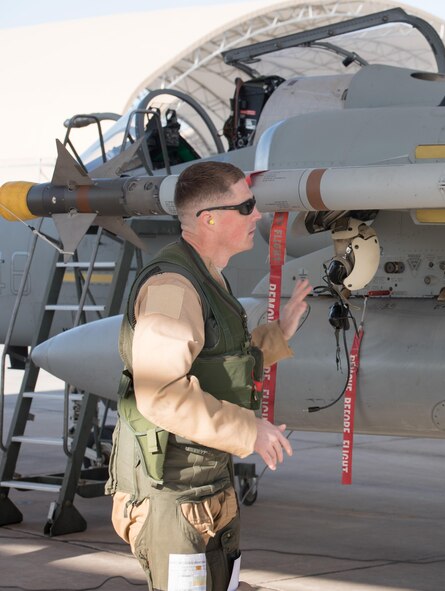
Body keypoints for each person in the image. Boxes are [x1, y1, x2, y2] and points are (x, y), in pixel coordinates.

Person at [105, 161, 311, 591]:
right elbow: (161, 394)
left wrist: (278, 334)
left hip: (203, 485)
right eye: (247, 206)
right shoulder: (172, 288)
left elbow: (218, 362)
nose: (257, 215)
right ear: (209, 218)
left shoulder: (206, 276)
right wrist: (248, 429)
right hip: (172, 495)